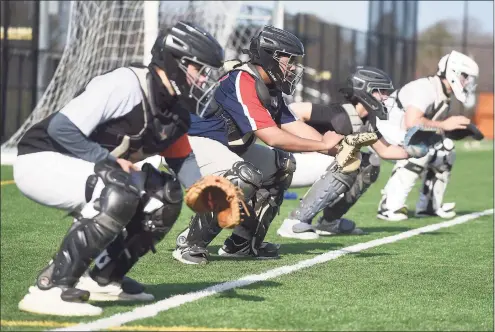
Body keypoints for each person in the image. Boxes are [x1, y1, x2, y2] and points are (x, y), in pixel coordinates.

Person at [13, 21, 224, 316]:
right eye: (198, 69)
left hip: (89, 171)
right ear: (176, 61)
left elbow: (181, 161)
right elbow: (62, 128)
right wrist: (108, 161)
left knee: (166, 195)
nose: (203, 80)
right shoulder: (126, 83)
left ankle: (105, 278)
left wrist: (207, 191)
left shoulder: (176, 112)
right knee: (119, 189)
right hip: (40, 160)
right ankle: (50, 287)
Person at [172, 25, 344, 265]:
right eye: (289, 59)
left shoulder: (269, 86)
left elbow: (292, 125)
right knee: (243, 176)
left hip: (228, 147)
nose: (293, 66)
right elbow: (272, 137)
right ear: (269, 56)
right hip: (196, 144)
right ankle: (190, 243)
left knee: (282, 166)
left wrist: (337, 146)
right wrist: (321, 146)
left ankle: (242, 244)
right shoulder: (243, 80)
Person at [276, 66, 411, 240]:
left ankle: (329, 222)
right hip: (289, 165)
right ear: (366, 91)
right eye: (381, 91)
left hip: (314, 166)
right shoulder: (338, 114)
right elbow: (293, 110)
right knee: (349, 160)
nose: (385, 97)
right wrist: (316, 144)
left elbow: (384, 150)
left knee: (370, 163)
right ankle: (295, 222)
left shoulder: (366, 120)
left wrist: (413, 151)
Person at [377, 50, 479, 221]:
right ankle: (389, 206)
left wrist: (450, 130)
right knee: (419, 149)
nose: (467, 82)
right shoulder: (426, 88)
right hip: (383, 131)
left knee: (446, 151)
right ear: (453, 71)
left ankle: (429, 205)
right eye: (465, 76)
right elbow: (412, 122)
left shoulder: (443, 94)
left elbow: (425, 126)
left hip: (401, 133)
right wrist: (444, 125)